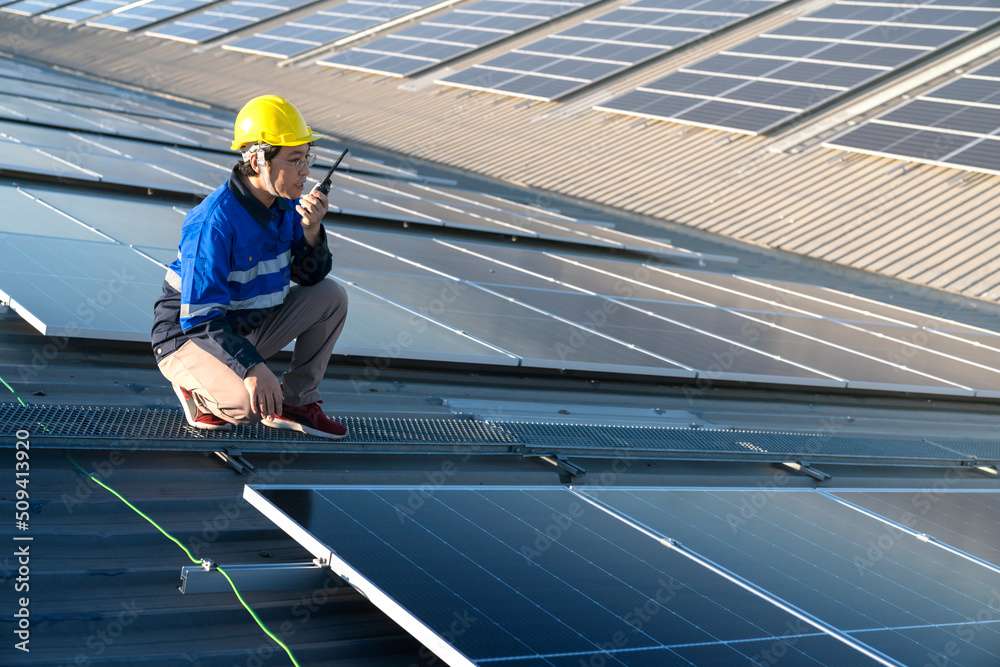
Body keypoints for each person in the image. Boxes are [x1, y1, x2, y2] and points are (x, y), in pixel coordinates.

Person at [151, 95, 349, 439]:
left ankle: (298, 401)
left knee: (331, 295)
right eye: (295, 159)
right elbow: (199, 318)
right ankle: (196, 392)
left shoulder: (286, 207)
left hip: (246, 329)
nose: (306, 171)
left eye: (307, 158)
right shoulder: (213, 222)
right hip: (188, 340)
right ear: (258, 161)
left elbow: (311, 277)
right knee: (248, 407)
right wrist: (253, 367)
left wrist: (312, 230)